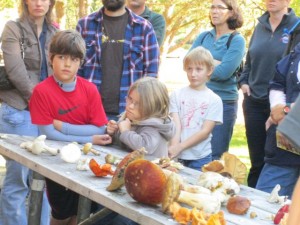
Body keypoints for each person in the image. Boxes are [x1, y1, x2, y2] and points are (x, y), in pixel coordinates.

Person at [29, 30, 112, 225]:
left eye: (74, 59)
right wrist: (88, 138)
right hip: (56, 160)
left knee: (81, 215)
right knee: (61, 214)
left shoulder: (89, 89)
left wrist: (63, 127)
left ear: (80, 63)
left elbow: (100, 128)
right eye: (62, 57)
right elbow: (48, 133)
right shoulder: (41, 91)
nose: (67, 64)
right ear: (51, 58)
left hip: (87, 161)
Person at [0, 0, 57, 224]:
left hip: (47, 116)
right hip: (18, 112)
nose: (38, 2)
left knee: (43, 181)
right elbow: (15, 70)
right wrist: (40, 101)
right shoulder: (13, 28)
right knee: (18, 182)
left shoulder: (55, 32)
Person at [238, 0, 298, 188]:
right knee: (257, 162)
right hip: (255, 101)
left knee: (277, 164)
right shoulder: (260, 26)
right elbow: (249, 60)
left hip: (286, 112)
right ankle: (254, 208)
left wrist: (285, 110)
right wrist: (243, 81)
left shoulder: (296, 27)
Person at [76, 0, 159, 121]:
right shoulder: (84, 25)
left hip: (129, 115)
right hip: (88, 112)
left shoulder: (144, 28)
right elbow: (76, 70)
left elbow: (151, 75)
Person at [189, 0, 245, 161]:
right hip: (197, 101)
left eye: (220, 7)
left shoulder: (236, 40)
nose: (215, 11)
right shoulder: (204, 36)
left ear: (232, 12)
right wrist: (213, 63)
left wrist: (201, 63)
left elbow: (224, 72)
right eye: (212, 7)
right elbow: (188, 64)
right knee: (191, 151)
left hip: (223, 103)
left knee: (215, 156)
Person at [255, 40, 300, 198]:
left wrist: (287, 111)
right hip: (284, 150)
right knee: (264, 203)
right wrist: (278, 109)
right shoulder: (295, 53)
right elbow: (278, 82)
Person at [168, 46, 223, 170]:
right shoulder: (177, 95)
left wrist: (180, 147)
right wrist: (174, 147)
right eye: (189, 69)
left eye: (199, 69)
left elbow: (205, 132)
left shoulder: (214, 100)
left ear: (209, 70)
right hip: (178, 155)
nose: (193, 74)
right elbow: (176, 124)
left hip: (200, 157)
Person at [107, 77, 175, 158]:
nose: (131, 106)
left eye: (139, 104)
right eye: (130, 99)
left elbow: (145, 147)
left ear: (153, 107)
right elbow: (124, 142)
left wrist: (125, 131)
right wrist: (113, 132)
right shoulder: (129, 116)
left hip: (151, 168)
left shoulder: (154, 126)